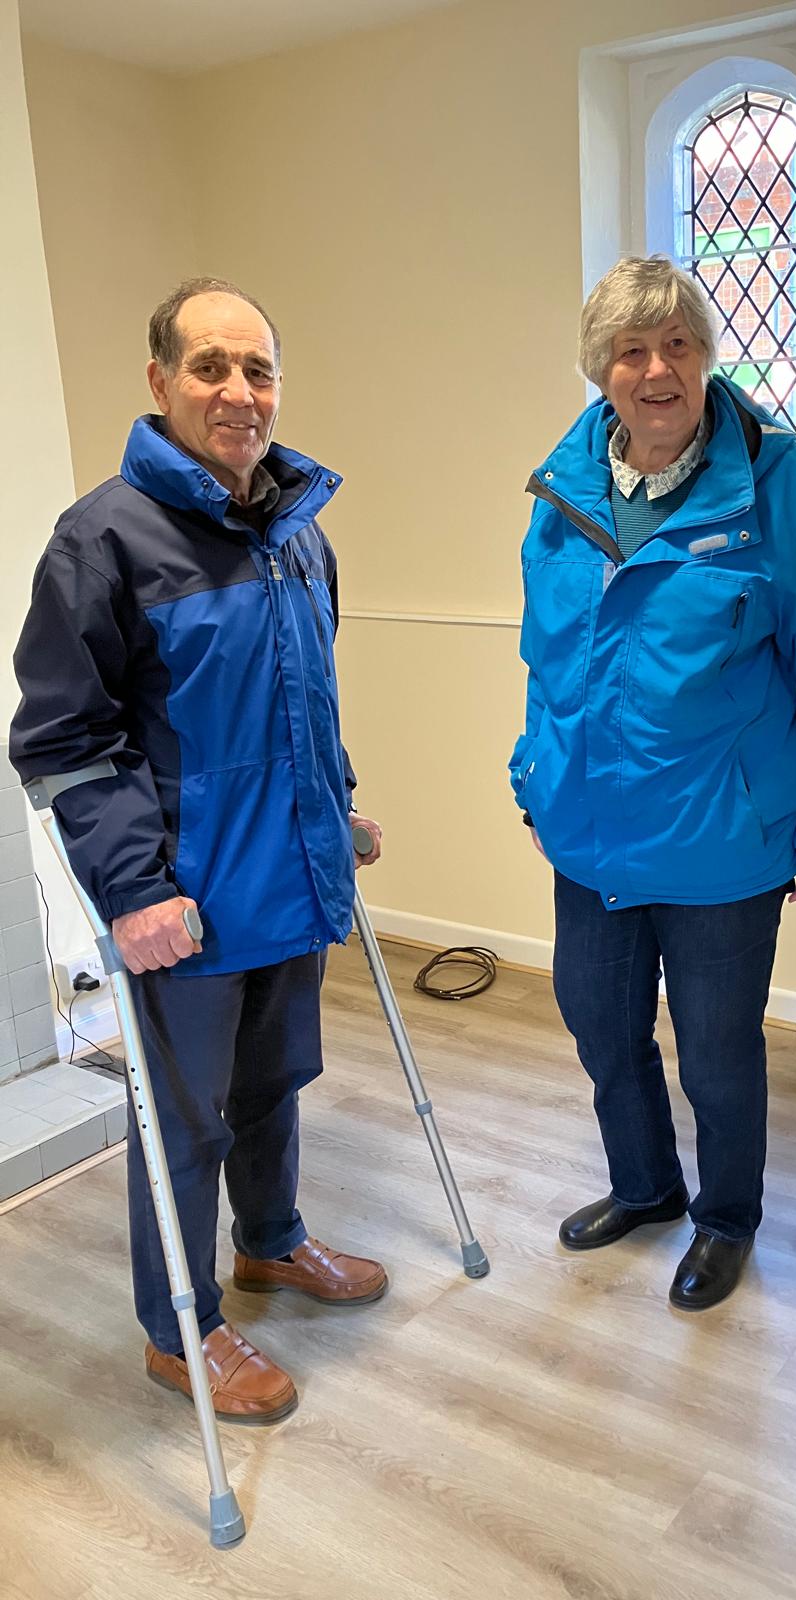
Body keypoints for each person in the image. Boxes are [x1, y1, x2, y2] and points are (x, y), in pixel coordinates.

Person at [10, 277, 387, 1420]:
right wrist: (131, 891)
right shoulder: (102, 539)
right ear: (161, 381)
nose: (239, 391)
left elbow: (302, 700)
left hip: (291, 868)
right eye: (212, 367)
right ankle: (181, 1329)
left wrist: (340, 801)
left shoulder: (297, 532)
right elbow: (64, 738)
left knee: (276, 1082)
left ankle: (270, 1241)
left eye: (258, 370)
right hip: (185, 896)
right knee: (184, 1117)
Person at [510, 255, 796, 1311]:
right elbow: (549, 656)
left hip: (725, 838)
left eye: (678, 343)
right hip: (587, 830)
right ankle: (645, 1188)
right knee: (598, 1022)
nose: (657, 368)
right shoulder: (563, 488)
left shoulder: (775, 480)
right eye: (632, 349)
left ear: (707, 356)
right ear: (602, 370)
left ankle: (727, 1217)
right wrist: (532, 775)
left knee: (717, 1052)